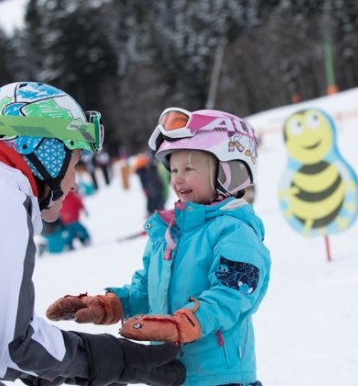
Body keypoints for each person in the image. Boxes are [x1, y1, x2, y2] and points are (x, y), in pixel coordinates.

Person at [0, 82, 184, 385]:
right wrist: (113, 359)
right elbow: (18, 344)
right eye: (74, 163)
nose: (74, 184)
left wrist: (64, 369)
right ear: (46, 153)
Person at [46, 108, 270, 386]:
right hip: (169, 374)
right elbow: (147, 290)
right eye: (174, 170)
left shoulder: (233, 231)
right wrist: (110, 305)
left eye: (189, 169)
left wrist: (183, 325)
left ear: (229, 171)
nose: (177, 178)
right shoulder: (169, 232)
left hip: (220, 378)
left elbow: (232, 295)